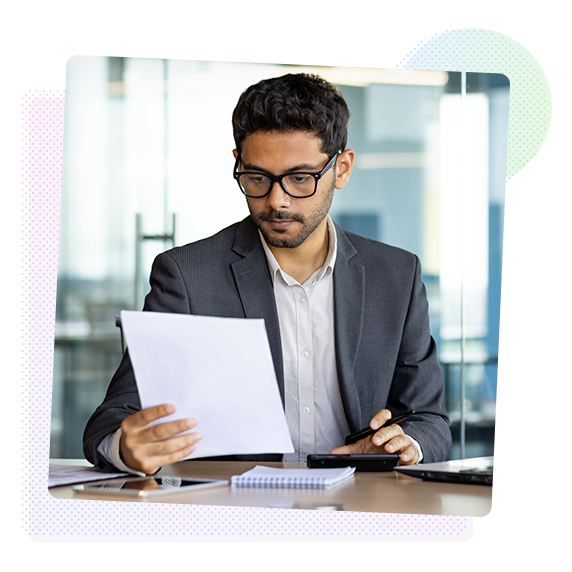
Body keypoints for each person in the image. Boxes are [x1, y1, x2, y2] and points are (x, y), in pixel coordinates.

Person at [83, 73, 451, 476]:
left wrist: (404, 443)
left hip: (361, 503)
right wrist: (126, 446)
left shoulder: (395, 275)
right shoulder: (187, 276)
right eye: (257, 178)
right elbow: (113, 417)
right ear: (238, 164)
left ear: (341, 169)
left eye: (299, 178)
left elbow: (428, 419)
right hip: (233, 510)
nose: (276, 201)